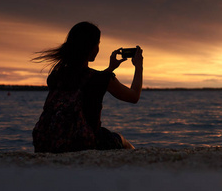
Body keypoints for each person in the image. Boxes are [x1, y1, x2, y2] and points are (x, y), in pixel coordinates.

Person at [31, 21, 143, 153]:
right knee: (121, 140)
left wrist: (111, 68)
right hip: (84, 142)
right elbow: (134, 96)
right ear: (92, 48)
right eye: (98, 44)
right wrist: (138, 66)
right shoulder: (101, 79)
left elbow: (84, 81)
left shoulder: (56, 76)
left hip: (47, 142)